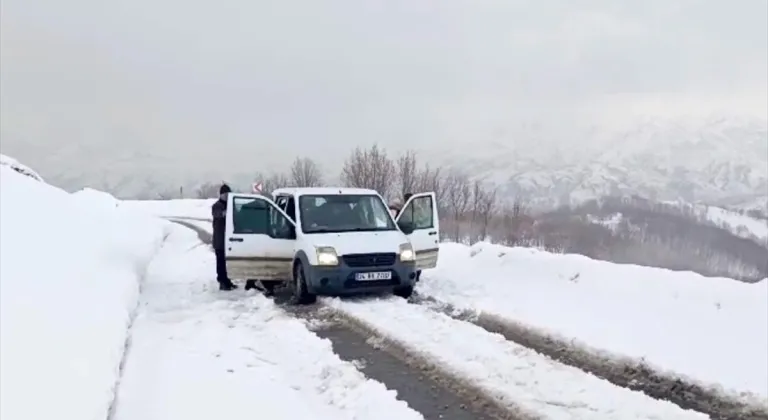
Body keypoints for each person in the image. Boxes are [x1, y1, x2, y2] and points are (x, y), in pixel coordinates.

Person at [212, 183, 238, 290]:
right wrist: (228, 212)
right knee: (221, 262)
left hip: (228, 240)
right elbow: (219, 214)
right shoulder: (217, 206)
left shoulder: (230, 205)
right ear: (221, 195)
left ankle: (227, 280)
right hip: (220, 240)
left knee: (226, 262)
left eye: (228, 194)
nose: (227, 196)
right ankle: (222, 281)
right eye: (225, 194)